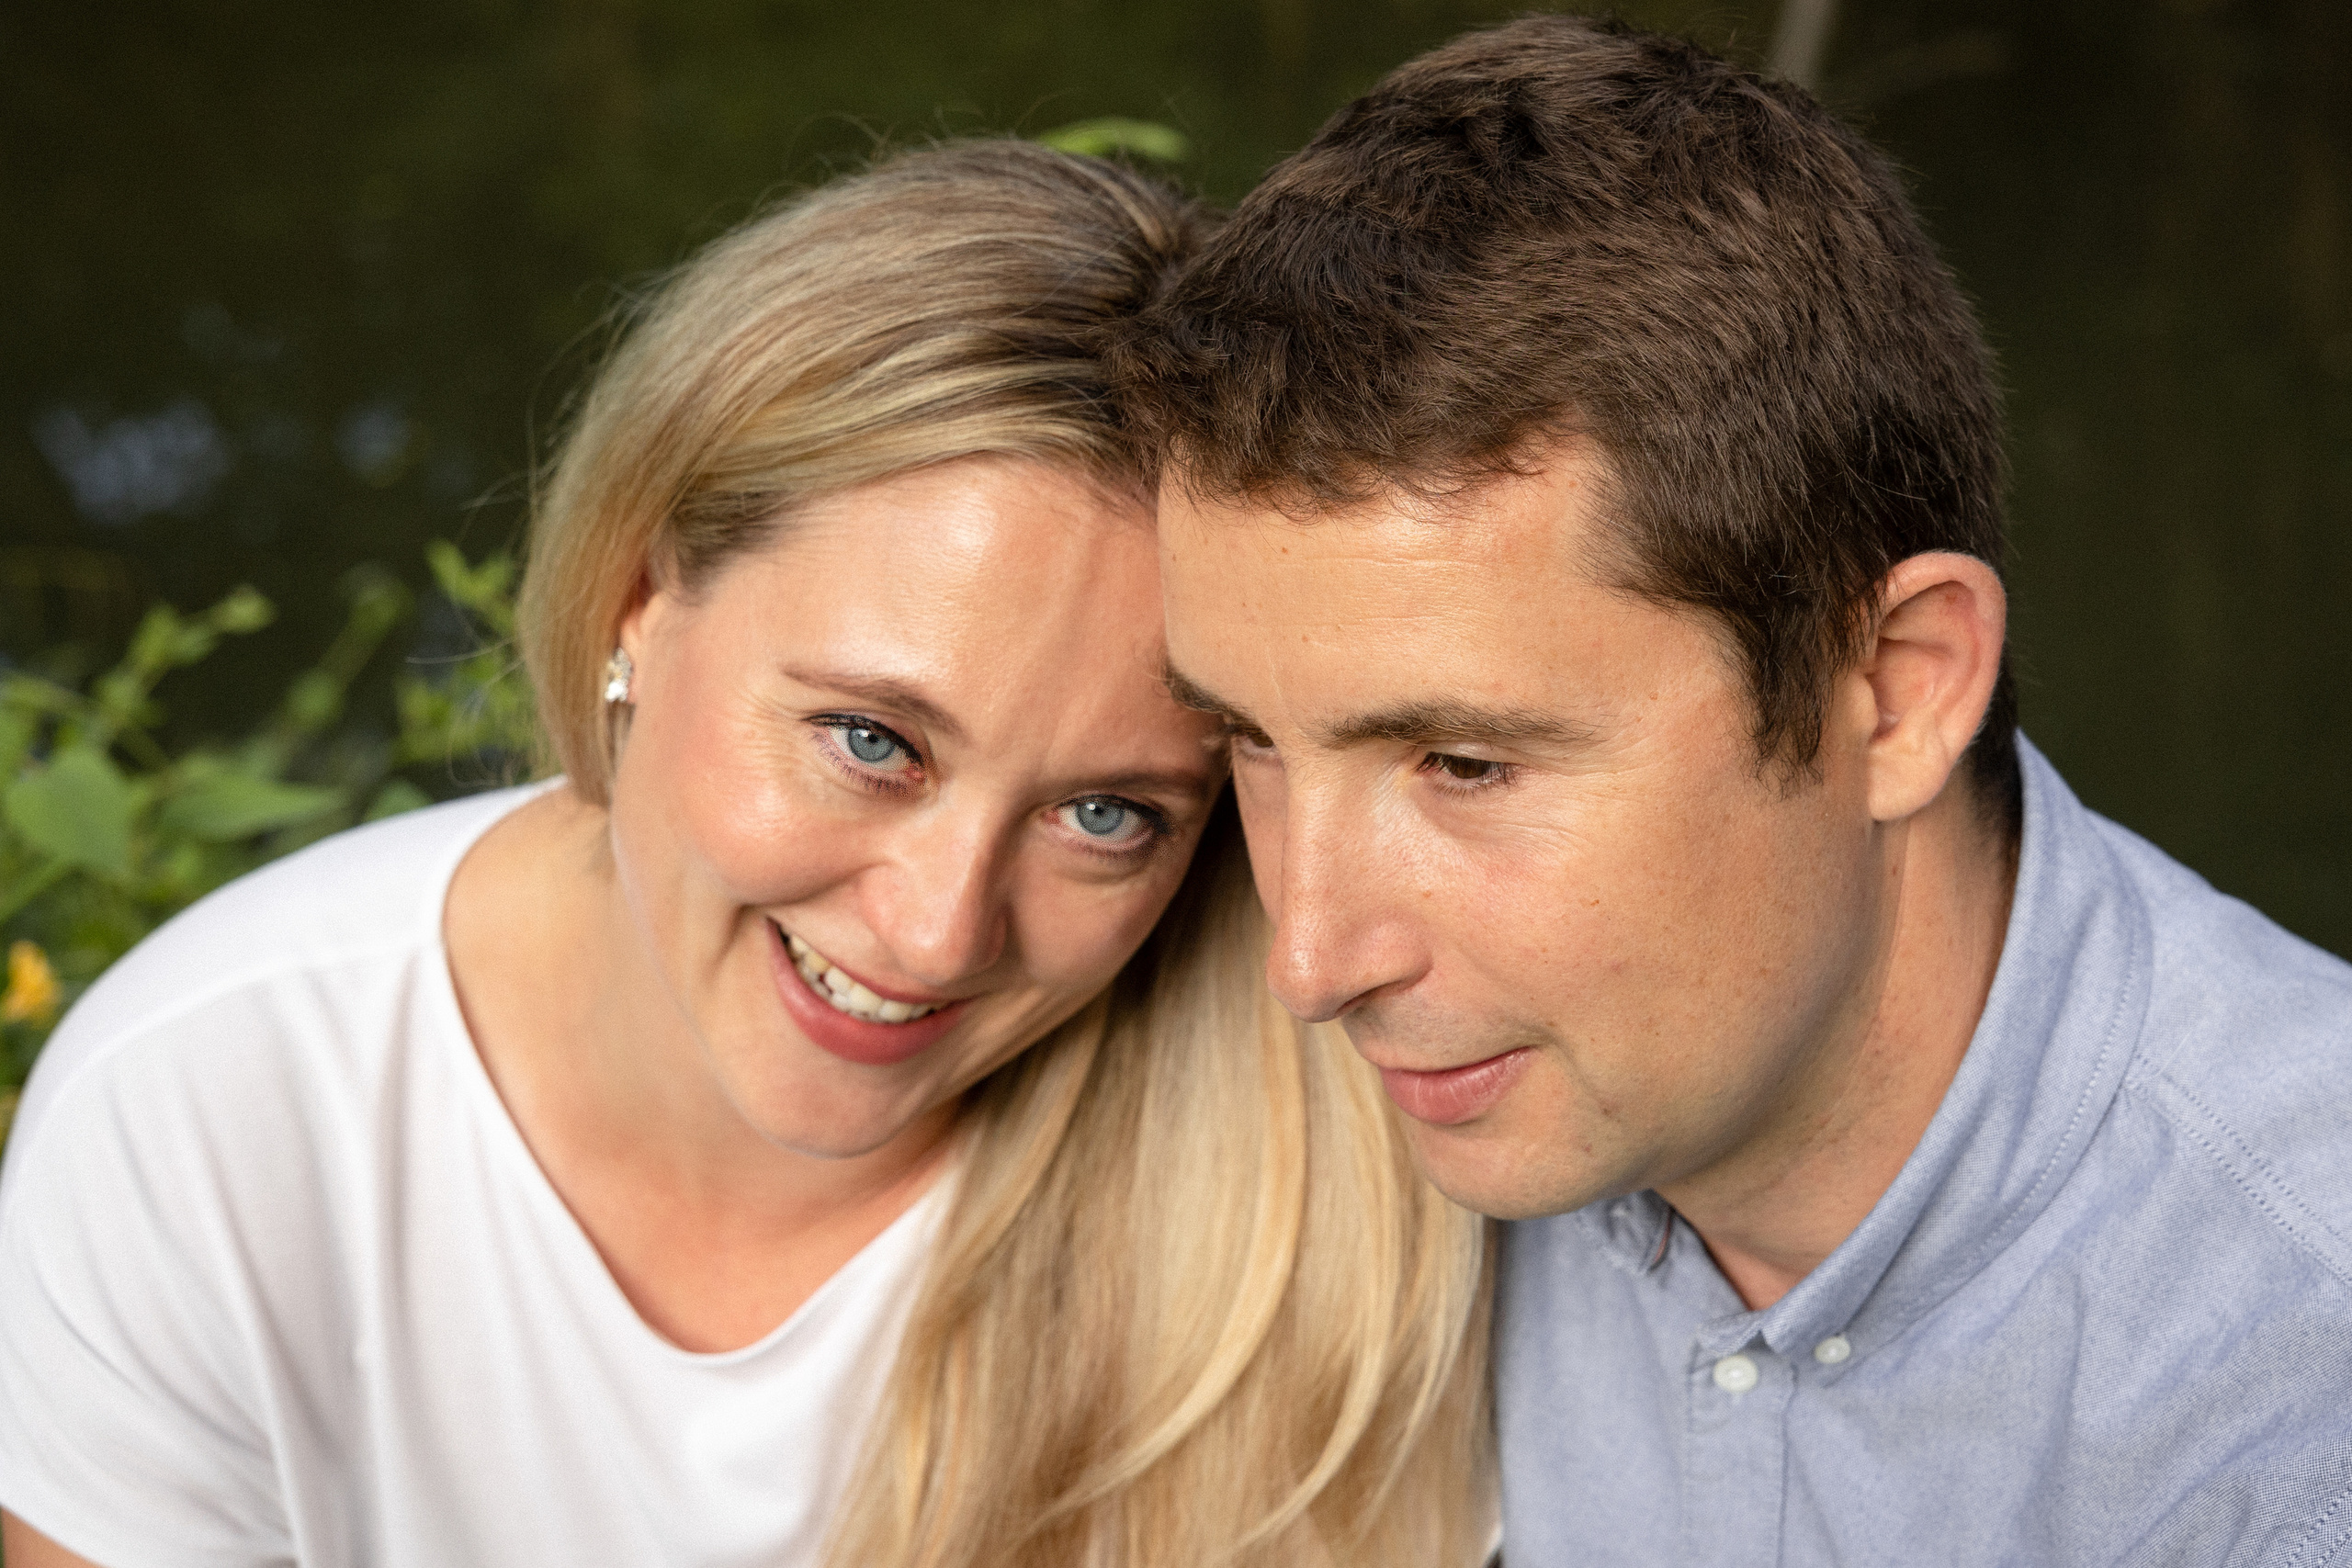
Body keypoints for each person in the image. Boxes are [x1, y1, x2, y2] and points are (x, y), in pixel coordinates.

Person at [0, 141, 1495, 1568]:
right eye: (872, 740)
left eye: (1108, 815)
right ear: (641, 599)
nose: (937, 933)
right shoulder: (209, 1112)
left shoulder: (1332, 1195)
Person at [1121, 17, 2352, 1565]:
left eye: (1467, 764)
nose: (1309, 962)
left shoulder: (2299, 1403)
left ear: (1900, 688)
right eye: (1250, 739)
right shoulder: (1348, 1118)